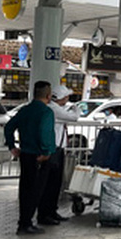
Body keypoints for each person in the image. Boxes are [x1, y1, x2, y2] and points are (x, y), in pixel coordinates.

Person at [4, 81, 56, 235]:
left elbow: (9, 127)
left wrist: (12, 145)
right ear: (48, 95)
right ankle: (26, 223)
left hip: (25, 154)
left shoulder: (25, 110)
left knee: (25, 189)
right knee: (35, 190)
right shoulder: (46, 112)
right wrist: (46, 152)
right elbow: (44, 132)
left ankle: (23, 221)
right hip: (39, 156)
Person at [40, 84, 80, 225]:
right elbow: (74, 117)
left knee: (55, 183)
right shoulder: (54, 109)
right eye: (66, 96)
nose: (68, 98)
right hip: (54, 148)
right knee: (50, 183)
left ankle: (51, 211)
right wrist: (76, 108)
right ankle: (45, 213)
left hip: (57, 148)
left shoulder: (55, 108)